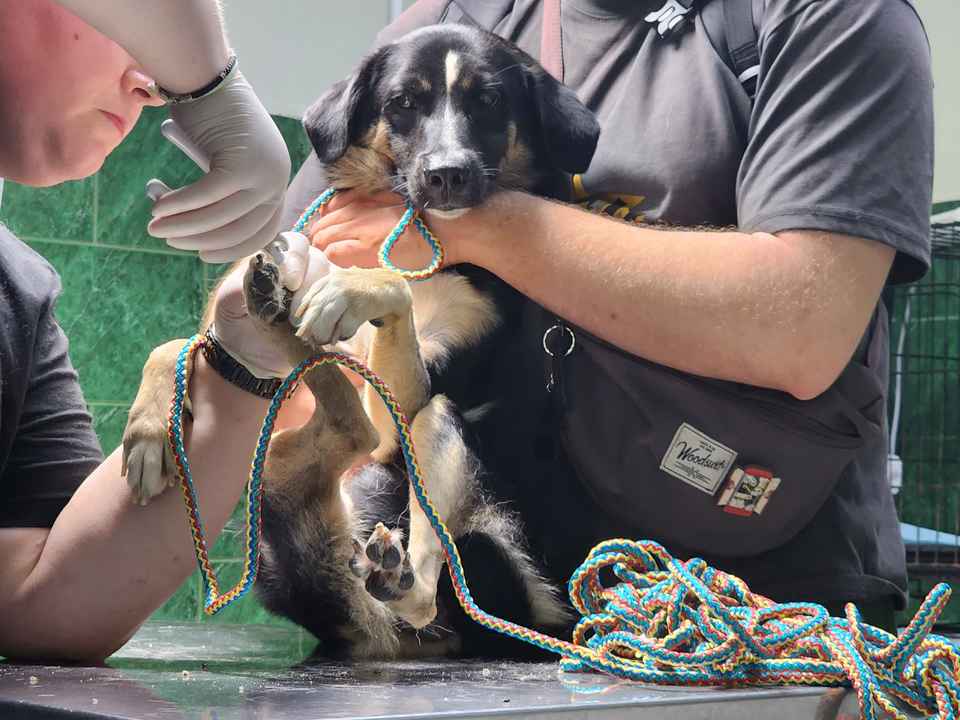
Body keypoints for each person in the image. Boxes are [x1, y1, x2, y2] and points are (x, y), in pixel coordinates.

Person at [281, 0, 934, 632]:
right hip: (485, 591)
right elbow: (279, 294)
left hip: (762, 602)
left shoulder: (828, 16)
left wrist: (477, 230)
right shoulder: (451, 23)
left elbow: (802, 330)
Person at [0, 0, 311, 661]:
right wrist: (211, 80)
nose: (153, 84)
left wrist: (242, 367)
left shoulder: (19, 295)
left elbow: (35, 602)